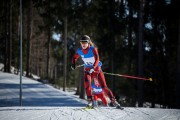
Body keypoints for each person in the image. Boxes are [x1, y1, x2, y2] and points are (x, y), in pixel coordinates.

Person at [71, 35, 120, 108]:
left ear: (88, 43)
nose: (83, 44)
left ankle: (113, 101)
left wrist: (93, 67)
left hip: (97, 70)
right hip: (87, 70)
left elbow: (97, 59)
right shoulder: (80, 51)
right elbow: (74, 57)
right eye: (82, 42)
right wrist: (73, 64)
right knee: (87, 85)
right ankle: (90, 101)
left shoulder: (93, 49)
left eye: (85, 42)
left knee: (104, 87)